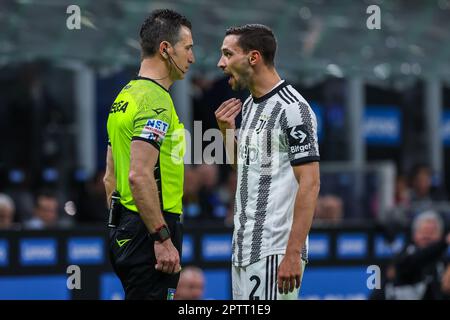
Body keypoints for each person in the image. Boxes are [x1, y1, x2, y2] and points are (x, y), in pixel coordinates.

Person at [215, 24, 320, 300]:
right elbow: (246, 170)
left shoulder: (293, 109)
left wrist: (293, 253)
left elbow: (310, 183)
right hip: (243, 250)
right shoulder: (250, 105)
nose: (220, 63)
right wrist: (227, 134)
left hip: (275, 251)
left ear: (253, 57)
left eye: (227, 54)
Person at [104, 9, 195, 300]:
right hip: (151, 231)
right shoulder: (155, 100)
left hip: (128, 227)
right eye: (188, 48)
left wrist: (124, 226)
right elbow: (138, 174)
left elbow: (110, 177)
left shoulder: (124, 97)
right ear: (166, 49)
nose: (192, 58)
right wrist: (161, 237)